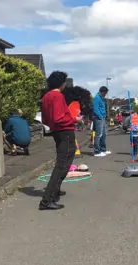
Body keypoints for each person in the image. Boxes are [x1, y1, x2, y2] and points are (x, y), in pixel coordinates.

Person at [40, 71, 82, 210]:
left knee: (61, 162)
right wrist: (74, 119)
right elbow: (59, 118)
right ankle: (47, 199)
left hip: (56, 132)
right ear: (62, 83)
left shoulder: (46, 96)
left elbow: (46, 118)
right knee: (63, 165)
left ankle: (55, 190)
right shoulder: (57, 96)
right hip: (65, 132)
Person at [92, 86, 111, 157]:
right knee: (98, 134)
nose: (106, 94)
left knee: (103, 134)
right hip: (98, 118)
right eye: (105, 93)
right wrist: (100, 116)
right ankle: (97, 151)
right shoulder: (97, 98)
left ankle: (103, 149)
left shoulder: (101, 98)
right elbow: (95, 109)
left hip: (102, 118)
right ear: (102, 92)